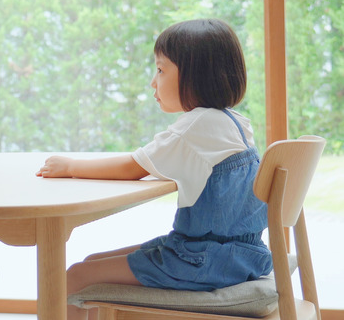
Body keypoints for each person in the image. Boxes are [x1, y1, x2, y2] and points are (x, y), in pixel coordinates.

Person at [36, 19, 273, 320]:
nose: (153, 81)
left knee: (73, 278)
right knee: (92, 262)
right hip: (242, 257)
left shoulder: (196, 125)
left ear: (195, 76)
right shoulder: (236, 123)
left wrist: (70, 166)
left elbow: (132, 167)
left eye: (161, 70)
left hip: (201, 259)